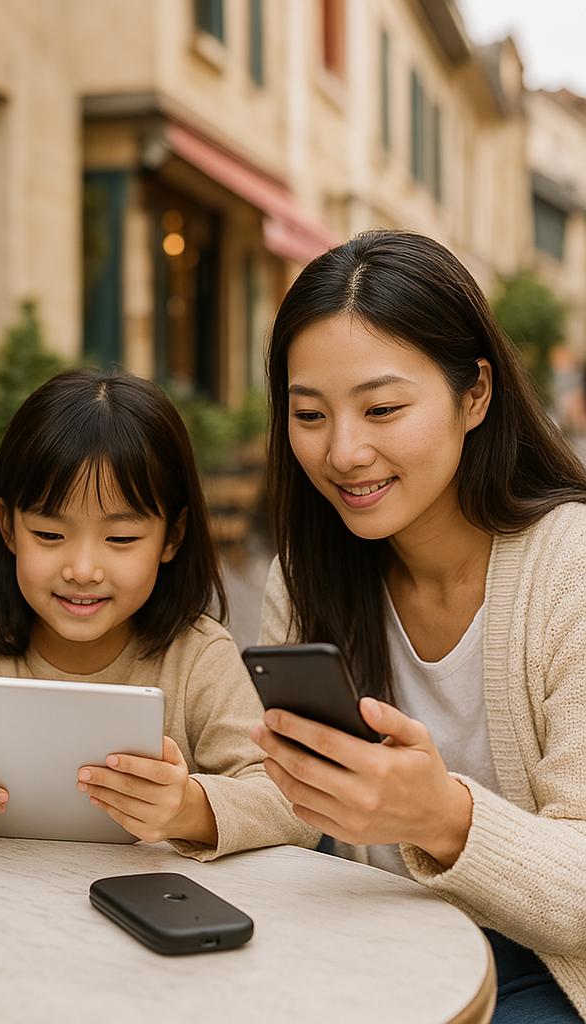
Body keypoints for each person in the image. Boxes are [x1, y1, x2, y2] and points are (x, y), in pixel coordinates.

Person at [251, 230, 586, 1021]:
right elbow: (280, 819)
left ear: (475, 394)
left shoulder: (570, 568)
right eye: (309, 413)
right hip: (373, 948)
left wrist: (442, 816)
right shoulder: (302, 578)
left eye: (382, 408)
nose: (343, 451)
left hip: (550, 969)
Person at [0, 368, 313, 858]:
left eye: (121, 539)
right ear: (8, 527)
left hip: (149, 913)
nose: (83, 570)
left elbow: (294, 803)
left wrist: (190, 808)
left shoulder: (197, 657)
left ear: (172, 536)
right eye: (49, 535)